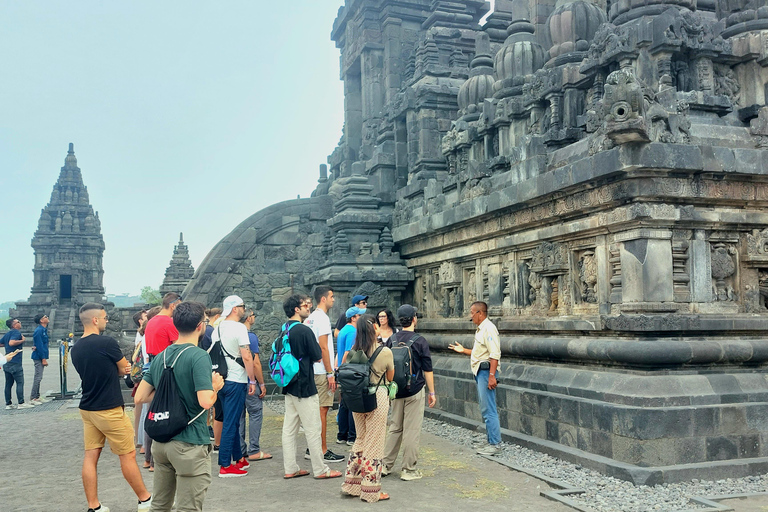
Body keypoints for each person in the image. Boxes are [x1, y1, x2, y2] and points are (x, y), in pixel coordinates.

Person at [135, 301, 224, 512]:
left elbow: (140, 396)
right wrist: (215, 387)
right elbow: (205, 401)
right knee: (188, 507)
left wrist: (170, 390)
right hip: (189, 441)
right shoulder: (198, 356)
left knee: (159, 505)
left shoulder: (162, 356)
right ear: (200, 326)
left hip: (162, 442)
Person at [70, 303, 152, 512]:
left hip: (88, 407)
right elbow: (124, 367)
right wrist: (120, 368)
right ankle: (144, 499)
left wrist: (118, 368)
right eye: (105, 318)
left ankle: (93, 505)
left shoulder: (77, 347)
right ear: (95, 320)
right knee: (127, 455)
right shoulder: (107, 342)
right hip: (109, 407)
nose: (107, 321)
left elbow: (106, 369)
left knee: (91, 456)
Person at [281, 294, 342, 480]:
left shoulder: (284, 329)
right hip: (305, 384)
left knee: (289, 429)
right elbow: (317, 355)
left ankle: (290, 467)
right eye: (304, 305)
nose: (308, 307)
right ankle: (320, 469)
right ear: (296, 310)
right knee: (313, 427)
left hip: (289, 383)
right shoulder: (304, 330)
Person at [341, 314, 394, 503]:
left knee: (361, 438)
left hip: (357, 398)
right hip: (377, 397)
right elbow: (390, 376)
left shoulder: (352, 352)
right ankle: (371, 489)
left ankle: (352, 483)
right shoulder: (384, 352)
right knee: (374, 441)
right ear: (374, 329)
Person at [382, 304, 436, 481]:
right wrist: (432, 392)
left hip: (396, 390)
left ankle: (385, 465)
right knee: (411, 430)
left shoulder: (392, 339)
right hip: (414, 389)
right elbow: (427, 370)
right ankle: (408, 469)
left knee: (395, 428)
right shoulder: (420, 341)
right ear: (414, 319)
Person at [211, 295, 257, 477]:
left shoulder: (217, 327)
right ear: (235, 309)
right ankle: (225, 464)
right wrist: (252, 380)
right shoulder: (239, 328)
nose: (244, 309)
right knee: (231, 421)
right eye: (242, 306)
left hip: (221, 378)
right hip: (236, 378)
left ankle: (239, 458)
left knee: (232, 418)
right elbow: (246, 355)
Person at [449, 301, 502, 456]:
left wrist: (492, 376)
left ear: (480, 313)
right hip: (481, 371)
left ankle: (495, 444)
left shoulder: (489, 329)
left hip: (487, 372)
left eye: (472, 312)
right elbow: (480, 352)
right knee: (485, 408)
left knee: (489, 408)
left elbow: (494, 354)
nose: (470, 316)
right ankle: (491, 439)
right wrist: (463, 350)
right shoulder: (481, 329)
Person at [303, 286, 344, 463]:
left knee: (314, 410)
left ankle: (312, 447)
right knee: (322, 410)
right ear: (323, 299)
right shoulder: (322, 318)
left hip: (310, 369)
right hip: (321, 370)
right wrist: (330, 373)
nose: (333, 299)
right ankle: (321, 449)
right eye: (332, 296)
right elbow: (324, 346)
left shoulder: (309, 318)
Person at [238, 309, 271, 461]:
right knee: (255, 413)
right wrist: (261, 383)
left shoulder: (232, 334)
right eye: (253, 315)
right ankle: (254, 449)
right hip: (249, 381)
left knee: (239, 416)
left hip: (236, 380)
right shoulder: (250, 336)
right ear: (248, 319)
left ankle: (240, 449)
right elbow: (256, 363)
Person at [335, 306, 365, 445]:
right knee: (353, 404)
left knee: (344, 404)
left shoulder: (343, 330)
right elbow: (348, 352)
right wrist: (345, 370)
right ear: (353, 318)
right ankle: (352, 436)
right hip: (349, 371)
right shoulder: (353, 331)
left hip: (343, 370)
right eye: (360, 316)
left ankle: (342, 434)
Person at [202, 307, 223, 447]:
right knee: (213, 403)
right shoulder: (211, 331)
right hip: (211, 368)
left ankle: (206, 427)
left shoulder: (206, 332)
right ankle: (210, 432)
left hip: (203, 368)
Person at [2, 318, 32, 409]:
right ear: (14, 325)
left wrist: (7, 346)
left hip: (7, 361)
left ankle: (8, 403)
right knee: (20, 382)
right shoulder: (16, 333)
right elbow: (11, 343)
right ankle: (21, 403)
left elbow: (2, 343)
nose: (20, 323)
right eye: (18, 322)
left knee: (8, 384)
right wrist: (22, 341)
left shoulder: (7, 334)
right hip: (15, 361)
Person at [144, 293, 182, 359]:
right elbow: (178, 347)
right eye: (179, 307)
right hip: (165, 362)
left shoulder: (151, 321)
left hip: (153, 362)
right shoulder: (169, 322)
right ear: (173, 306)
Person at [131, 310, 148, 448]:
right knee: (143, 407)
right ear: (140, 321)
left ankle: (140, 439)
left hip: (142, 373)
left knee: (142, 408)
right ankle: (141, 440)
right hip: (145, 374)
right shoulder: (142, 335)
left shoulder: (142, 335)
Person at [30, 313, 50, 405]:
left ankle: (37, 396)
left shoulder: (43, 330)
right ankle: (34, 397)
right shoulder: (39, 330)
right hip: (38, 357)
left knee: (39, 377)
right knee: (38, 377)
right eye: (45, 317)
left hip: (41, 355)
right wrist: (43, 358)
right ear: (41, 320)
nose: (47, 318)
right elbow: (39, 345)